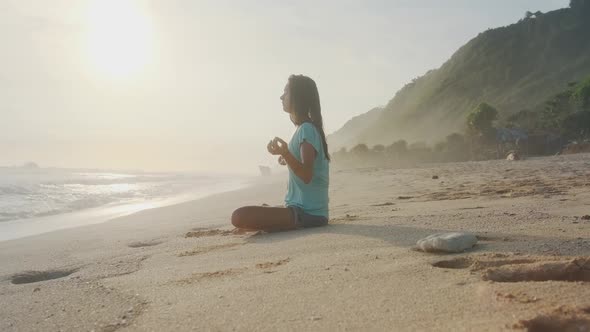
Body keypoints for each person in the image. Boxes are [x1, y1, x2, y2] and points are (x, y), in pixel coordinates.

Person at [231, 74, 330, 231]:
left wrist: (286, 153)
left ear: (298, 97)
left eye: (286, 92)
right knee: (256, 211)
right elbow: (301, 161)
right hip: (299, 210)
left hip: (309, 213)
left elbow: (306, 175)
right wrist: (283, 156)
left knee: (239, 216)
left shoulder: (307, 129)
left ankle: (275, 222)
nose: (281, 96)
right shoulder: (302, 129)